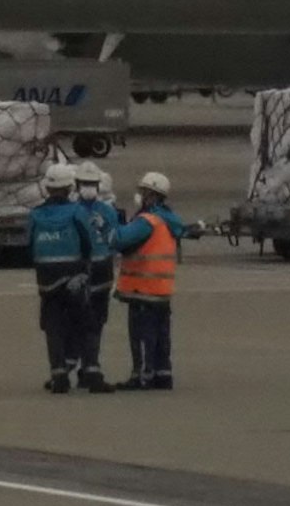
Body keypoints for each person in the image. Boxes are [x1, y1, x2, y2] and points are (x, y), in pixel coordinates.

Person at [27, 162, 116, 393]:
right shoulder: (77, 212)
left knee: (54, 328)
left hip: (47, 280)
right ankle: (91, 372)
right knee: (86, 324)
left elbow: (28, 244)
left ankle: (59, 376)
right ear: (70, 188)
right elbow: (87, 243)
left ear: (47, 188)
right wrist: (83, 269)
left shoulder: (36, 215)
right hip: (75, 278)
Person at [111, 170, 184, 389]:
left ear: (151, 195)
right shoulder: (170, 221)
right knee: (161, 333)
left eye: (143, 192)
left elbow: (120, 240)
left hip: (142, 289)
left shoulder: (147, 221)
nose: (139, 197)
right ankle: (163, 373)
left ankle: (142, 375)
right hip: (161, 289)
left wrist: (114, 222)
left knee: (142, 334)